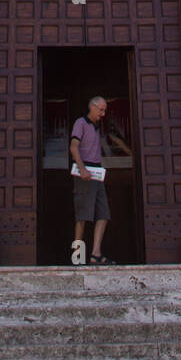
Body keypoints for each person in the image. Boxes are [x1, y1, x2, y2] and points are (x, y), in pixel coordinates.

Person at [69, 95, 129, 265]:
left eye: (104, 111)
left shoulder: (96, 128)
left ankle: (96, 253)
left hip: (96, 173)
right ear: (93, 107)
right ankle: (77, 256)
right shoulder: (80, 123)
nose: (103, 114)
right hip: (84, 173)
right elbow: (73, 146)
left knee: (103, 214)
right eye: (101, 110)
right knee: (82, 217)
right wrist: (81, 169)